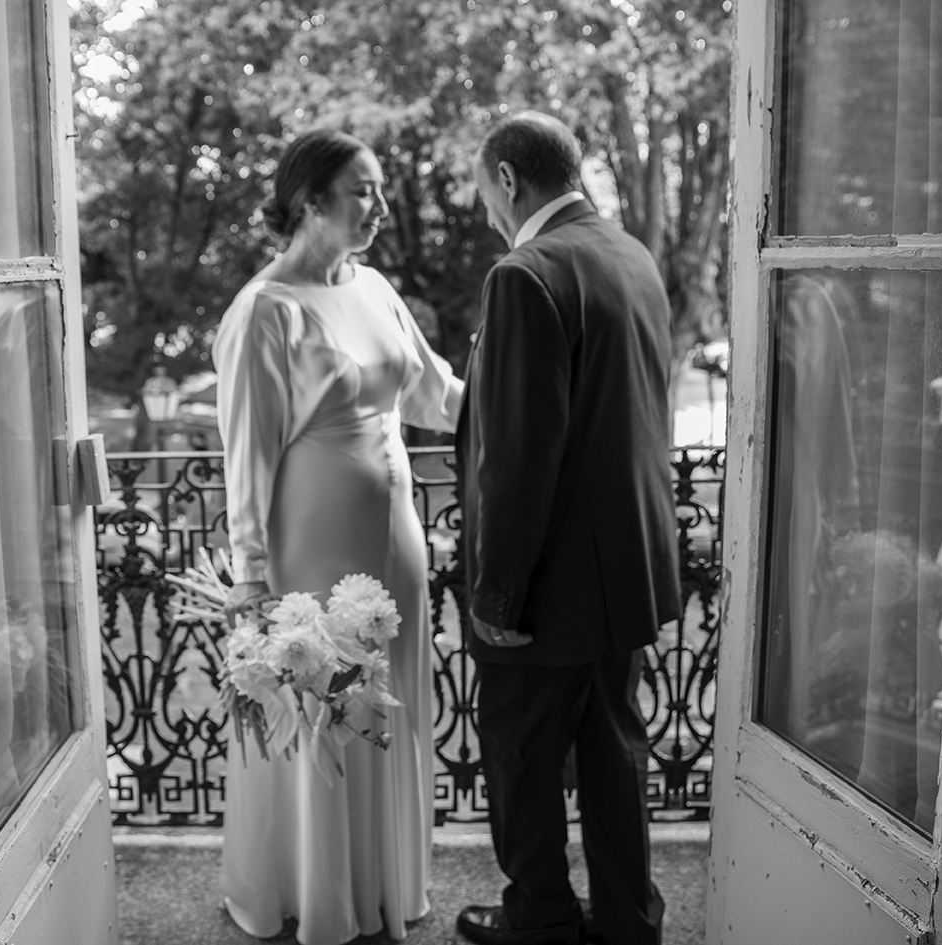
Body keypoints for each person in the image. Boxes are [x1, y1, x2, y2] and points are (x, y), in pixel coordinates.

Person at [212, 127, 464, 945]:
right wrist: (251, 576)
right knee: (321, 711)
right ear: (310, 201)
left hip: (396, 546)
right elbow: (247, 454)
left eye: (380, 188)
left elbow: (433, 393)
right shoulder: (265, 309)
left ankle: (384, 884)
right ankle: (314, 892)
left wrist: (524, 401)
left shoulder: (376, 288)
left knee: (390, 706)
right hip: (311, 551)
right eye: (364, 190)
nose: (382, 205)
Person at [454, 112, 680, 945]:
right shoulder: (630, 255)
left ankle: (541, 920)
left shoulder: (525, 273)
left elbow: (519, 457)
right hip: (626, 569)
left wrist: (496, 596)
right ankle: (627, 920)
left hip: (549, 585)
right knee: (614, 752)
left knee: (521, 758)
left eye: (484, 192)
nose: (486, 211)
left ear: (508, 179)